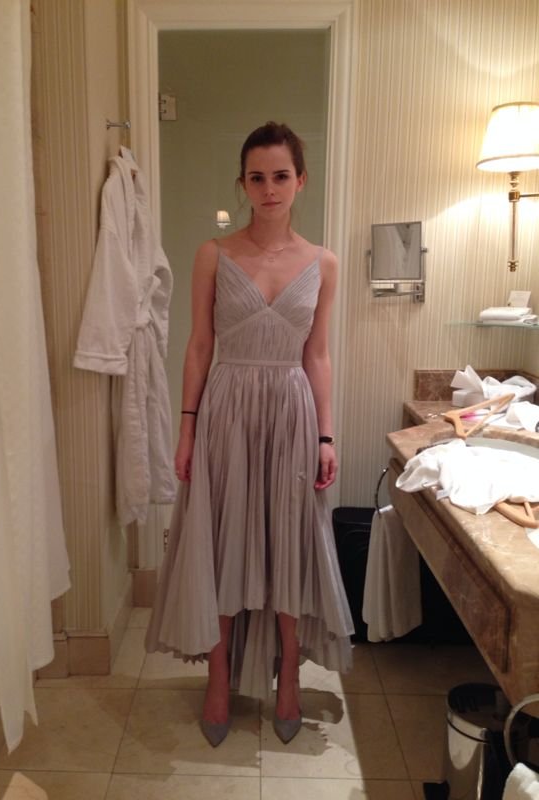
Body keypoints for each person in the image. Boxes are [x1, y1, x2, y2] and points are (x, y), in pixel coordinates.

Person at [145, 121, 354, 747]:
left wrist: (326, 436)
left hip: (290, 414)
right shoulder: (214, 254)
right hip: (226, 412)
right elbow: (198, 347)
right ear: (243, 183)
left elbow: (317, 355)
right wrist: (186, 428)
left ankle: (289, 674)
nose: (269, 189)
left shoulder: (323, 263)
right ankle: (218, 677)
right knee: (222, 544)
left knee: (288, 542)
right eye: (257, 177)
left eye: (280, 176)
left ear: (301, 181)